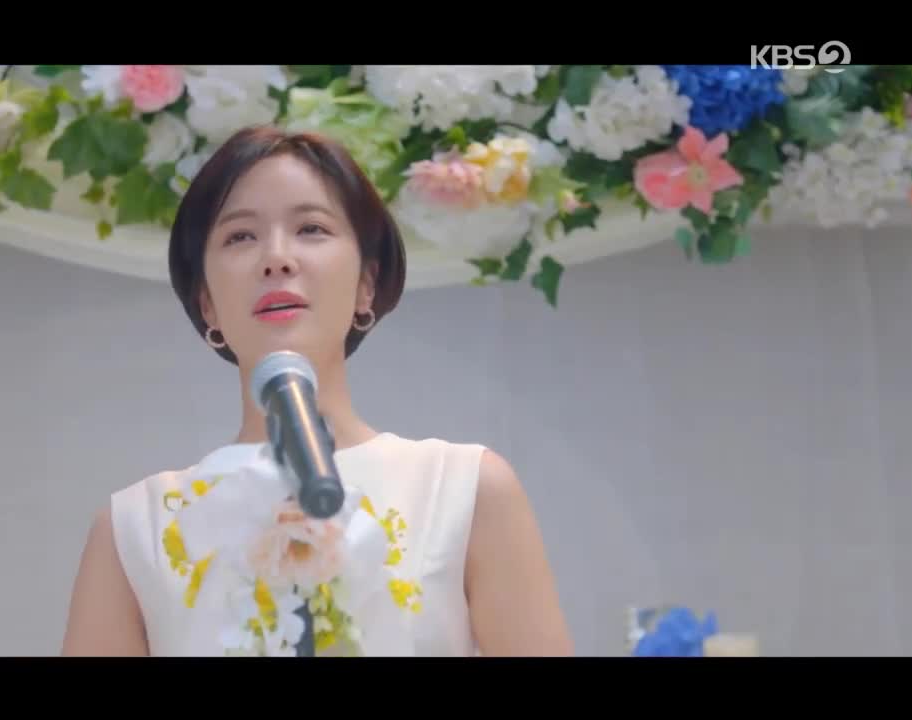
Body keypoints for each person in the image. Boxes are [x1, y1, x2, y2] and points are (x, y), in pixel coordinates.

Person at [61, 125, 572, 657]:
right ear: (206, 302)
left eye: (311, 228)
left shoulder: (465, 490)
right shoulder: (137, 527)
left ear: (366, 284)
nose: (276, 258)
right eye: (240, 237)